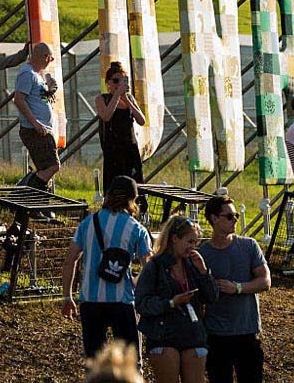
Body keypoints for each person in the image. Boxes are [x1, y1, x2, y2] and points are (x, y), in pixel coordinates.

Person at [61, 175, 153, 361]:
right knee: (131, 361)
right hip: (122, 300)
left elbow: (70, 260)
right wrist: (136, 284)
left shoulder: (87, 224)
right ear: (133, 200)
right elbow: (149, 268)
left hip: (90, 300)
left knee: (95, 363)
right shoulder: (136, 229)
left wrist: (67, 296)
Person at [135, 214, 218, 383]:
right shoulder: (154, 267)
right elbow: (142, 303)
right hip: (164, 334)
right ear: (174, 239)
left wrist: (204, 272)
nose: (193, 247)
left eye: (196, 243)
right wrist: (171, 303)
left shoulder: (195, 265)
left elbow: (212, 297)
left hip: (193, 334)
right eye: (189, 242)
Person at [198, 195, 271, 383]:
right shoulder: (202, 254)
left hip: (246, 332)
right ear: (214, 219)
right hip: (216, 335)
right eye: (229, 216)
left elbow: (265, 281)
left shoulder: (249, 246)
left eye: (236, 215)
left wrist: (237, 288)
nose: (235, 220)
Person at [14, 42, 60, 191]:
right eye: (50, 58)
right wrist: (36, 124)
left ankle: (38, 199)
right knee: (52, 166)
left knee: (46, 168)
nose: (50, 62)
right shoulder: (27, 74)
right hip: (35, 130)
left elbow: (40, 101)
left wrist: (50, 92)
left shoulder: (37, 75)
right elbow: (19, 99)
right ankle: (26, 191)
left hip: (41, 129)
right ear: (44, 57)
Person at [95, 62, 146, 194]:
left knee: (134, 183)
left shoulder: (129, 99)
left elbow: (141, 120)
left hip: (130, 147)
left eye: (122, 80)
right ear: (108, 83)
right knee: (114, 184)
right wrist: (117, 95)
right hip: (113, 149)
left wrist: (127, 100)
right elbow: (106, 116)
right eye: (116, 81)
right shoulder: (102, 99)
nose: (119, 84)